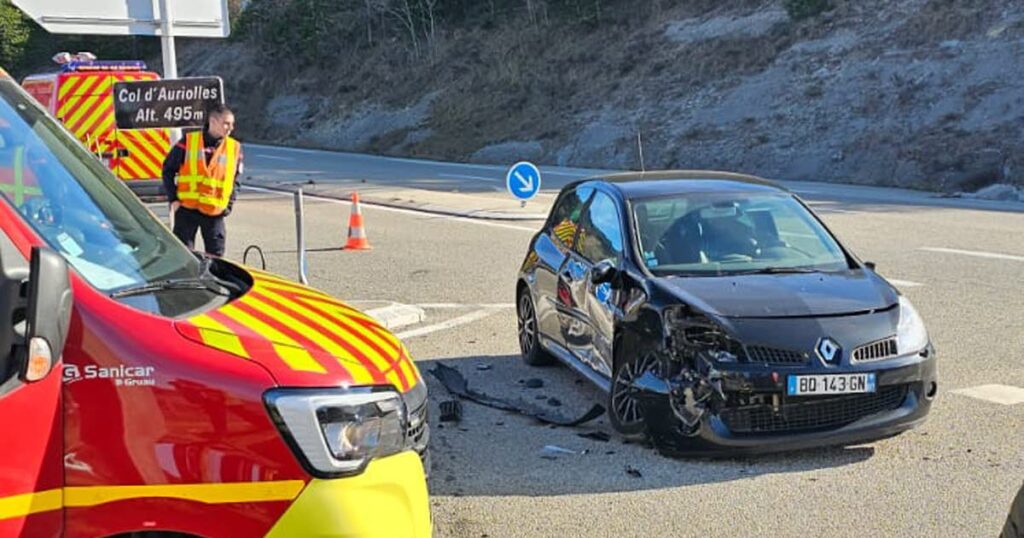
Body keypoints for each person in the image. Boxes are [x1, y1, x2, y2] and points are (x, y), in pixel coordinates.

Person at [161, 104, 242, 257]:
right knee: (183, 255)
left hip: (215, 211)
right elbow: (168, 170)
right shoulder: (189, 141)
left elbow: (235, 181)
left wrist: (229, 205)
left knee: (216, 257)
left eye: (232, 124)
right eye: (226, 123)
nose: (230, 128)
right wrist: (173, 199)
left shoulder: (234, 148)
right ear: (213, 121)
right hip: (187, 209)